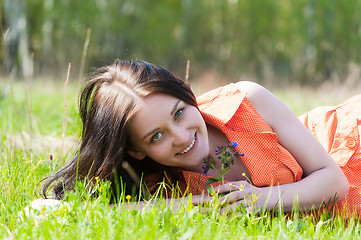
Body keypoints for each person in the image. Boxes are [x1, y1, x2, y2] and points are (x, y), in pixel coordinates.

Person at [38, 59, 356, 214]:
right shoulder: (159, 186)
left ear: (188, 95)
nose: (181, 136)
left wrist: (262, 200)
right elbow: (124, 212)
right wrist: (67, 210)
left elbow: (335, 181)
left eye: (178, 113)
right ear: (136, 151)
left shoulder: (246, 101)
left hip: (347, 146)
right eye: (156, 136)